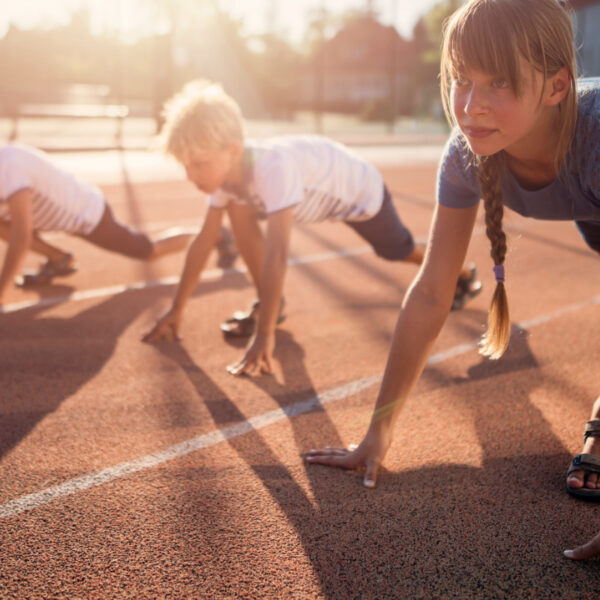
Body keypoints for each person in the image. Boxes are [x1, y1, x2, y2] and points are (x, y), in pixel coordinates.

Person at [306, 0, 600, 559]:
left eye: (500, 83)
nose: (471, 105)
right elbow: (432, 292)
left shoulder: (597, 133)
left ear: (558, 86)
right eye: (462, 80)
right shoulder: (467, 156)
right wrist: (379, 431)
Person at [142, 80, 483, 374]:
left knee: (397, 251)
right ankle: (270, 303)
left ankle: (461, 274)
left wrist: (264, 336)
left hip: (360, 194)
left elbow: (277, 256)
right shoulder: (224, 178)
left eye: (199, 164)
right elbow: (204, 241)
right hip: (320, 189)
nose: (191, 176)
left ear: (232, 150)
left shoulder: (272, 169)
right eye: (186, 166)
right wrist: (176, 309)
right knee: (237, 209)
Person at [0, 142, 236, 306]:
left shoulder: (9, 167)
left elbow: (21, 235)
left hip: (87, 214)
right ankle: (58, 259)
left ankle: (215, 235)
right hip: (52, 214)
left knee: (148, 251)